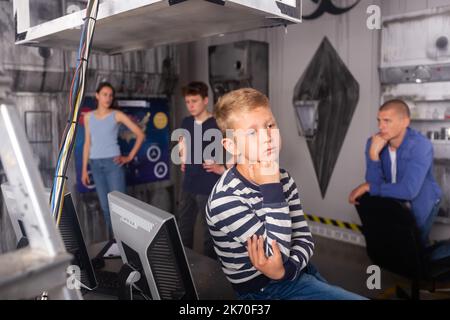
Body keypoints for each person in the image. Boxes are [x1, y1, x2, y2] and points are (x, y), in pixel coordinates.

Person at [206, 88, 365, 300]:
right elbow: (275, 254)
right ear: (231, 146)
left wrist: (285, 270)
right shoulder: (226, 200)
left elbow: (304, 239)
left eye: (270, 125)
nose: (266, 137)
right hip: (263, 290)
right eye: (252, 132)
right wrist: (271, 188)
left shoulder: (284, 178)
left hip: (297, 272)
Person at [348, 99, 447, 259]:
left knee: (415, 249)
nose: (381, 126)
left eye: (387, 121)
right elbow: (374, 184)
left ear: (405, 122)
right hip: (395, 200)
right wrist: (373, 156)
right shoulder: (373, 143)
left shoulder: (421, 146)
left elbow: (408, 190)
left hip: (423, 200)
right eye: (379, 121)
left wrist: (368, 187)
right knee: (403, 245)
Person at [81, 82, 145, 236]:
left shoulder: (117, 115)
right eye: (105, 94)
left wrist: (129, 157)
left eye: (110, 95)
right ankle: (115, 242)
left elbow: (140, 134)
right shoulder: (88, 117)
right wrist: (84, 169)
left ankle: (127, 243)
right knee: (105, 207)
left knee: (120, 207)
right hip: (95, 165)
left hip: (113, 165)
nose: (108, 98)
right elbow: (87, 143)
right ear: (97, 96)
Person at [177, 81, 227, 259]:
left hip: (207, 185)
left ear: (205, 100)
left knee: (210, 231)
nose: (190, 105)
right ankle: (185, 262)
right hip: (188, 183)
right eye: (188, 102)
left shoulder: (217, 124)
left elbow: (234, 149)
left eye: (194, 101)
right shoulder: (186, 121)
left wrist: (222, 168)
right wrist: (183, 158)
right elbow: (182, 143)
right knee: (184, 226)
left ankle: (210, 269)